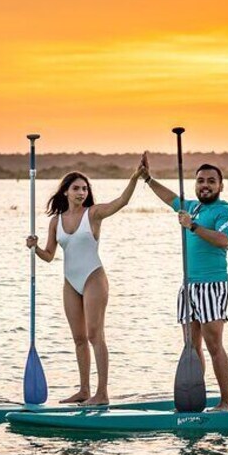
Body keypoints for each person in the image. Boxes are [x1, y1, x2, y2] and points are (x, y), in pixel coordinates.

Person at [26, 155, 147, 406]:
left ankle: (102, 393)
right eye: (76, 188)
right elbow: (49, 256)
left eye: (84, 188)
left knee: (95, 335)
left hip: (94, 278)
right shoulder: (55, 221)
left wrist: (135, 177)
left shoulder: (94, 214)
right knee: (79, 338)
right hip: (70, 282)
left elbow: (121, 202)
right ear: (66, 192)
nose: (81, 192)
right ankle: (83, 390)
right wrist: (34, 248)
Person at [140, 156, 228, 411]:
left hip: (212, 285)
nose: (205, 185)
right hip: (188, 285)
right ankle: (195, 400)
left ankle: (226, 403)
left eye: (211, 181)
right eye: (201, 181)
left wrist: (192, 226)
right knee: (192, 346)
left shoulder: (224, 211)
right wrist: (148, 179)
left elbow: (222, 240)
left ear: (220, 185)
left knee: (214, 344)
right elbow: (169, 197)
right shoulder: (192, 207)